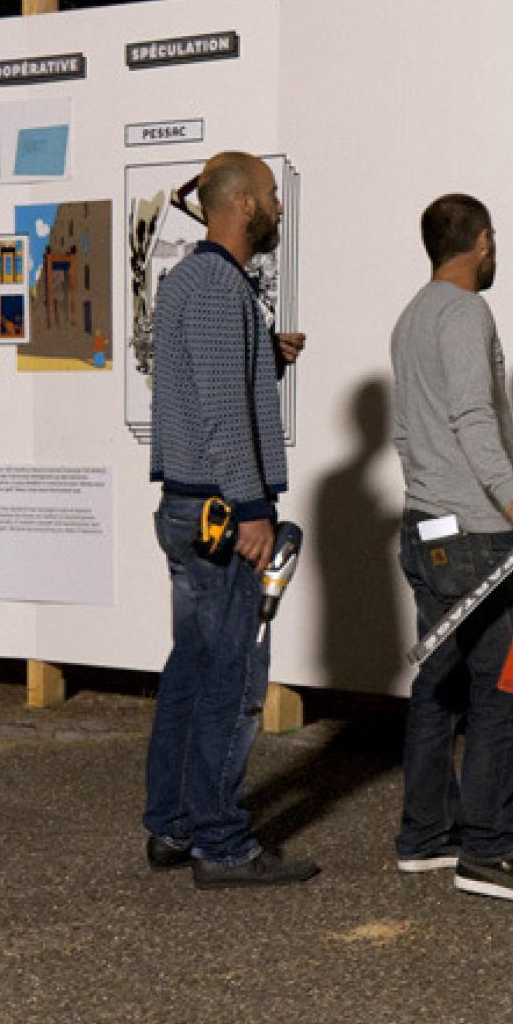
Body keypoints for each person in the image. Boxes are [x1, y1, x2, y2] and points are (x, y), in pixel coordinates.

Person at [390, 193, 513, 902]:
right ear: (483, 242)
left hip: (425, 525)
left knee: (438, 685)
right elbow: (470, 413)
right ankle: (490, 852)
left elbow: (412, 432)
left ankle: (426, 836)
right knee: (504, 688)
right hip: (473, 531)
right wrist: (511, 494)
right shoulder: (467, 312)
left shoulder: (412, 315)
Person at [144, 151, 317, 888]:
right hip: (221, 513)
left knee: (190, 666)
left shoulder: (188, 281)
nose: (279, 206)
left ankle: (173, 825)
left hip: (186, 507)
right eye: (272, 196)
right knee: (235, 675)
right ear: (244, 205)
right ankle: (219, 840)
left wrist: (260, 356)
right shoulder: (219, 285)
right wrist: (251, 512)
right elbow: (219, 415)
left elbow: (198, 380)